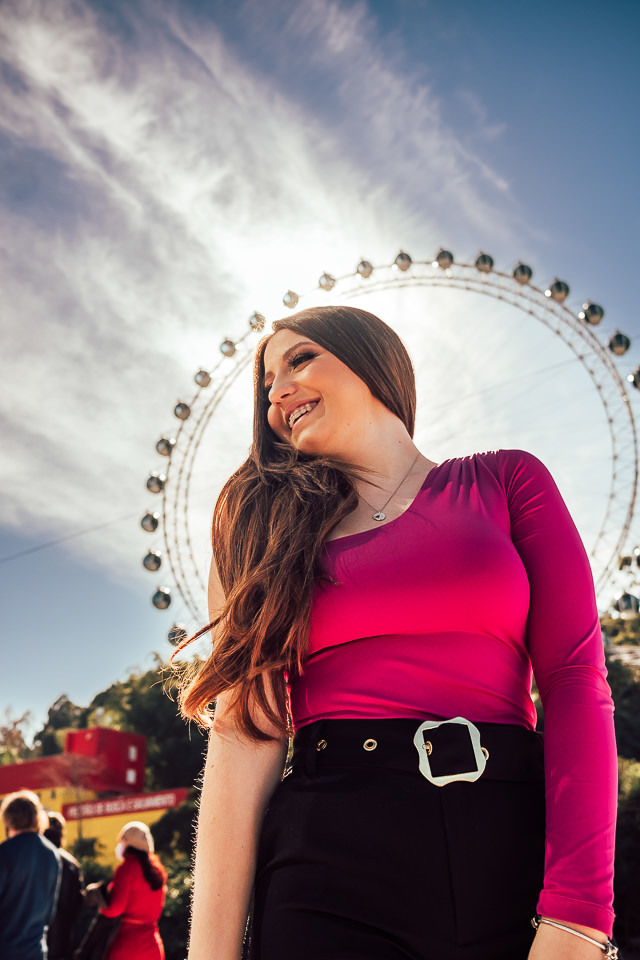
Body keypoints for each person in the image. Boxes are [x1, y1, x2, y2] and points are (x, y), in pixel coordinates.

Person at [179, 305, 618, 960]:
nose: (276, 393)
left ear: (375, 362)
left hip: (510, 847)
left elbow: (576, 683)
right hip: (327, 859)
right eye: (267, 384)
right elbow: (247, 736)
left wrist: (580, 916)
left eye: (300, 360)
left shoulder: (506, 481)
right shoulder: (261, 531)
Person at [0, 789, 61, 960]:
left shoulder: (5, 852)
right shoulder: (52, 854)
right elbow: (50, 912)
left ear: (9, 819)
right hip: (35, 950)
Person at [98, 821, 166, 960]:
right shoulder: (158, 870)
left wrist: (101, 906)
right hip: (153, 946)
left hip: (128, 946)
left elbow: (115, 908)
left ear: (128, 844)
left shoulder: (127, 869)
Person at [44, 811, 84, 960]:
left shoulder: (33, 859)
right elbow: (78, 903)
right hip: (63, 937)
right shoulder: (71, 864)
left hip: (35, 937)